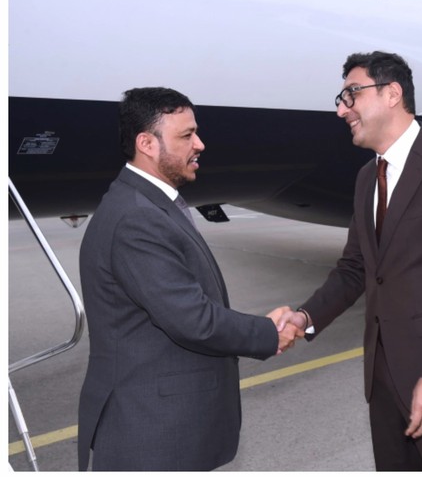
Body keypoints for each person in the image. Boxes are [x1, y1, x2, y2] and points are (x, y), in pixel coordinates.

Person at [283, 51, 422, 470]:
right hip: (383, 378)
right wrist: (305, 317)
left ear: (392, 93)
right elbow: (356, 268)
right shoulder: (368, 177)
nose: (342, 109)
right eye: (341, 99)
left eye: (352, 94)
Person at [77, 87, 302, 471]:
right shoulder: (137, 217)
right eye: (186, 135)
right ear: (146, 144)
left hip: (162, 427)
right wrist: (268, 332)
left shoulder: (147, 204)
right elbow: (192, 319)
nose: (200, 144)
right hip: (150, 434)